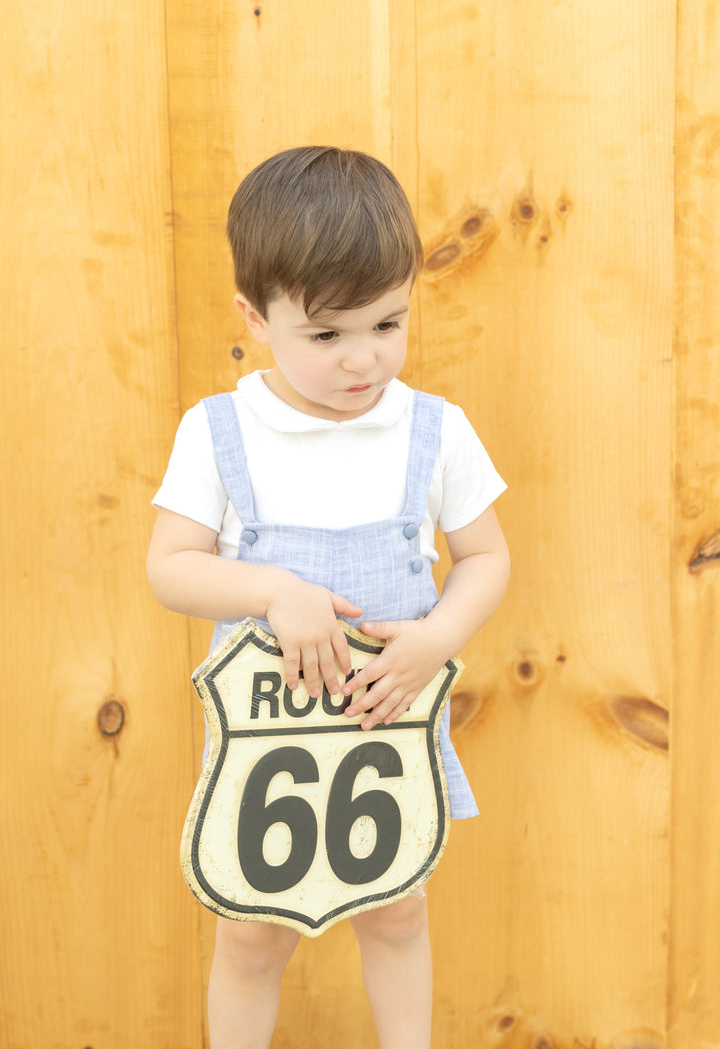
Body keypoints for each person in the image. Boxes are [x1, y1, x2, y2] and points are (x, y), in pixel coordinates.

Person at [146, 146, 510, 1049]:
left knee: (397, 912)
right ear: (256, 318)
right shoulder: (220, 431)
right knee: (251, 930)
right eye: (327, 335)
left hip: (388, 726)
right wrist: (274, 589)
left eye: (389, 324)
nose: (364, 360)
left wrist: (439, 638)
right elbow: (171, 565)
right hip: (269, 739)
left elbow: (486, 557)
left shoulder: (434, 430)